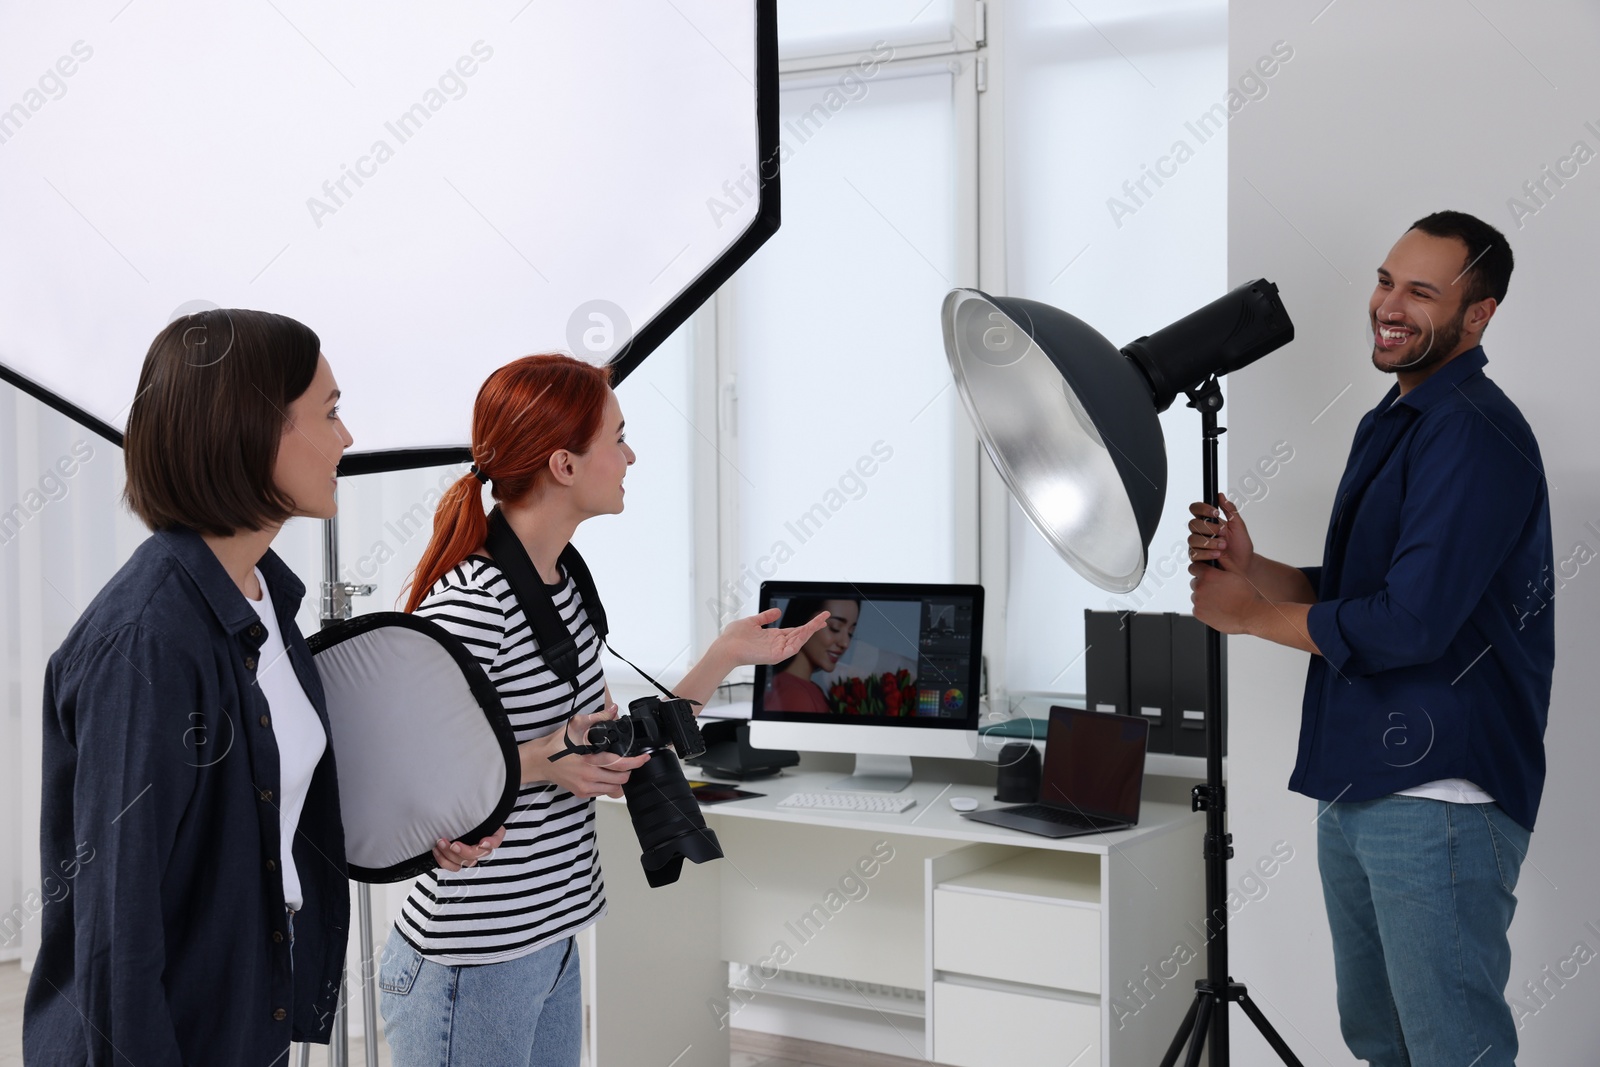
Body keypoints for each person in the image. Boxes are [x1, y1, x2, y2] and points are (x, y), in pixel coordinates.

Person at [22, 309, 498, 1066]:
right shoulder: (147, 641)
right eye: (332, 412)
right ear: (250, 428)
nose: (347, 438)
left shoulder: (266, 599)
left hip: (248, 1020)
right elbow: (120, 922)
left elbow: (272, 808)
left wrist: (423, 829)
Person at [379, 353, 827, 1067]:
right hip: (474, 956)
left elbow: (609, 740)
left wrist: (725, 655)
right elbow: (408, 776)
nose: (630, 454)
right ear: (563, 463)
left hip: (550, 938)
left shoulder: (565, 583)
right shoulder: (476, 601)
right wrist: (549, 765)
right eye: (618, 437)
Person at [1187, 211, 1551, 1066]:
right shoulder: (1397, 416)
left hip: (1439, 795)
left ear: (1480, 313)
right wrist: (1259, 568)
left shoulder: (1473, 431)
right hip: (1360, 785)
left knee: (1450, 1047)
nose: (1389, 303)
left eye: (1421, 291)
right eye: (1387, 280)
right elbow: (1366, 593)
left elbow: (1412, 623)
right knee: (1380, 1040)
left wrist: (1247, 616)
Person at [763, 596, 860, 712]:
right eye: (835, 628)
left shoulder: (807, 689)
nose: (845, 643)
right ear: (803, 620)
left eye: (850, 633)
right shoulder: (795, 695)